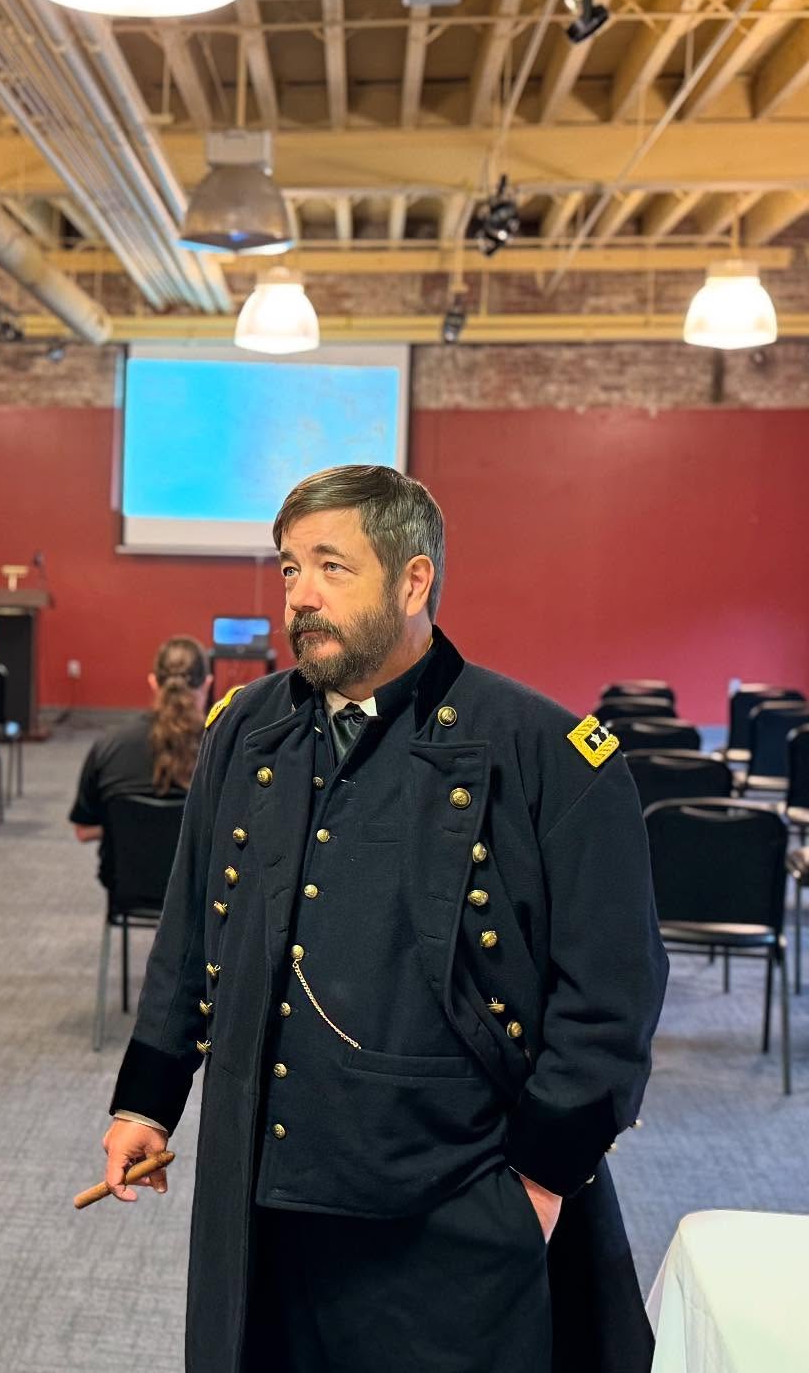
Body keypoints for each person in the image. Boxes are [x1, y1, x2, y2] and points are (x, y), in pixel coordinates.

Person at [99, 465, 667, 1373]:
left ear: (414, 580)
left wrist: (540, 1183)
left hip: (452, 1221)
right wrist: (147, 1103)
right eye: (289, 569)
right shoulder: (244, 730)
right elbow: (190, 940)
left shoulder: (551, 756)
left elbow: (612, 995)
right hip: (262, 1204)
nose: (303, 597)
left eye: (333, 567)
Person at [69, 635, 210, 881]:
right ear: (207, 684)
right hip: (198, 895)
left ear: (153, 682)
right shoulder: (227, 748)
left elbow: (83, 830)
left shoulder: (109, 746)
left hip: (127, 887)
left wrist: (135, 825)